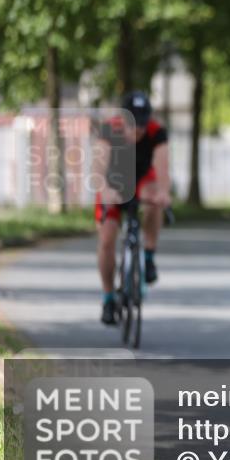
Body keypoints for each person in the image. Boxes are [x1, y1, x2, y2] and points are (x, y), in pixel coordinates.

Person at [94, 91, 171, 325]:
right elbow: (97, 168)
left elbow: (162, 168)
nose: (137, 130)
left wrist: (164, 193)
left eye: (142, 124)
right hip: (114, 182)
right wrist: (105, 190)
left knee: (154, 198)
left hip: (142, 181)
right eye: (133, 124)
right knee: (107, 239)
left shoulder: (157, 133)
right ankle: (108, 297)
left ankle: (148, 255)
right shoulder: (109, 130)